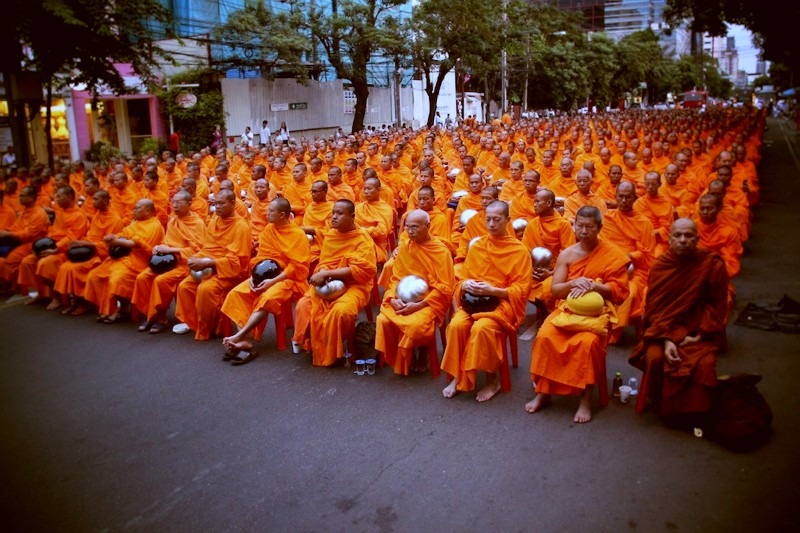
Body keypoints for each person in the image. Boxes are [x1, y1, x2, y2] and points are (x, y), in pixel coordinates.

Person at [527, 206, 630, 423]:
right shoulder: (568, 254)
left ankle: (585, 399)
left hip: (596, 315)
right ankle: (544, 393)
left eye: (589, 227)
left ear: (599, 227)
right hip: (568, 310)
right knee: (545, 336)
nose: (583, 231)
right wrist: (573, 283)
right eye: (579, 226)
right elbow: (555, 290)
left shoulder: (613, 255)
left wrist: (593, 286)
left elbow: (619, 292)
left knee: (587, 344)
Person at [629, 218, 729, 426]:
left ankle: (693, 414)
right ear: (669, 238)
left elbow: (718, 307)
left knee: (704, 364)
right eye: (678, 235)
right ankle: (665, 407)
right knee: (655, 359)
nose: (683, 240)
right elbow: (655, 311)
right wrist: (668, 340)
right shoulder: (660, 267)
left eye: (688, 236)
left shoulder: (712, 265)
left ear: (697, 239)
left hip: (700, 332)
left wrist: (697, 336)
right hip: (663, 332)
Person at [441, 200, 532, 402]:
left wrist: (495, 291)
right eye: (488, 219)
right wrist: (465, 285)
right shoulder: (478, 246)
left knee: (482, 328)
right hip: (475, 300)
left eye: (496, 220)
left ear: (508, 220)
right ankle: (457, 376)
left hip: (502, 303)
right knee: (456, 325)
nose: (491, 224)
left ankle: (492, 380)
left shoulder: (519, 251)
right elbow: (465, 277)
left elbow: (522, 289)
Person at [221, 198, 310, 364]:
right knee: (236, 293)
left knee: (267, 298)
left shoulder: (297, 234)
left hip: (289, 279)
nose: (265, 213)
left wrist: (273, 281)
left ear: (282, 215)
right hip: (267, 275)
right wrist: (255, 277)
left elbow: (297, 268)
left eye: (270, 211)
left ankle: (239, 335)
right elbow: (261, 256)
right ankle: (244, 342)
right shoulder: (269, 229)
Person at [291, 200, 377, 366]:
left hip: (355, 285)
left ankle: (331, 350)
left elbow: (363, 270)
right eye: (333, 213)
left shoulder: (362, 239)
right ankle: (315, 344)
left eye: (339, 213)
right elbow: (325, 262)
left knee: (341, 311)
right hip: (331, 282)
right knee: (304, 305)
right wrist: (324, 272)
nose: (334, 217)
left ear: (352, 217)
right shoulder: (331, 235)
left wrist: (327, 273)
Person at [375, 209, 455, 375]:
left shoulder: (441, 252)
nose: (409, 231)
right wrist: (391, 298)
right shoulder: (405, 247)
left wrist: (419, 305)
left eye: (415, 227)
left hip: (430, 300)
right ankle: (401, 357)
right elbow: (396, 278)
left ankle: (423, 350)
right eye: (407, 227)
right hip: (403, 296)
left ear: (428, 226)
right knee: (383, 320)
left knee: (414, 325)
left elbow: (445, 288)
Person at [174, 189, 252, 341]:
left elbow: (237, 262)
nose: (218, 207)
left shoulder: (241, 226)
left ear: (233, 204)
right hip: (211, 267)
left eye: (222, 203)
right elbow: (208, 248)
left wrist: (209, 262)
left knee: (205, 289)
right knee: (184, 287)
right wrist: (196, 258)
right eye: (216, 204)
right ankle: (196, 324)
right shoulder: (214, 221)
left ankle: (211, 326)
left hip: (230, 272)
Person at [131, 190, 207, 334]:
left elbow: (198, 251)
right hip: (168, 261)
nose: (174, 205)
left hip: (184, 264)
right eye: (173, 202)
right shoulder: (173, 221)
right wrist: (160, 248)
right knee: (143, 277)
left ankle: (159, 318)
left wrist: (171, 251)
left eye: (178, 202)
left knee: (161, 281)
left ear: (189, 204)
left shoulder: (197, 223)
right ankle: (152, 314)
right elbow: (168, 242)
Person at [83, 199, 165, 322]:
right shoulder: (135, 223)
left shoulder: (154, 225)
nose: (134, 211)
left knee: (117, 279)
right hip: (123, 259)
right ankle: (110, 308)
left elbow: (139, 245)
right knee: (94, 276)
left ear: (148, 211)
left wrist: (116, 242)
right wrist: (114, 237)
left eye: (137, 208)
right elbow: (124, 234)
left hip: (139, 262)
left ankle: (122, 309)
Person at [52, 190, 125, 316]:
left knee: (76, 269)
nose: (93, 202)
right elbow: (90, 236)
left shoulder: (115, 219)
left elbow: (110, 246)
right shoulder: (97, 216)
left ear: (106, 201)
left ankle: (85, 302)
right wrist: (81, 243)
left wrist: (88, 244)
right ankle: (76, 300)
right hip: (91, 250)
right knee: (66, 267)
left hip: (101, 255)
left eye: (96, 199)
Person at [17, 186, 88, 309]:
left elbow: (72, 238)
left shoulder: (78, 215)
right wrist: (41, 245)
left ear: (70, 197)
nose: (56, 199)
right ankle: (42, 293)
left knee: (45, 263)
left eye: (59, 196)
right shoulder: (61, 211)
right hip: (53, 244)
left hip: (67, 250)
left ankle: (57, 297)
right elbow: (53, 232)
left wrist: (55, 249)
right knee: (27, 261)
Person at [521, 188, 576, 316]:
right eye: (534, 201)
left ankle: (552, 311)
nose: (534, 205)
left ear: (549, 203)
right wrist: (531, 270)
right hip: (535, 269)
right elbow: (525, 251)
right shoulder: (532, 224)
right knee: (520, 285)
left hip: (559, 270)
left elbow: (569, 254)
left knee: (549, 288)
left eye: (538, 201)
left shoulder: (563, 225)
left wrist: (552, 273)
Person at [0, 186, 50, 292]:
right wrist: (6, 232)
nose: (20, 197)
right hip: (20, 243)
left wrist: (8, 234)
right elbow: (15, 227)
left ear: (31, 197)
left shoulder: (38, 214)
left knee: (9, 262)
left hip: (33, 244)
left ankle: (21, 287)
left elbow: (28, 234)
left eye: (22, 196)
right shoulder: (24, 212)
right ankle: (15, 285)